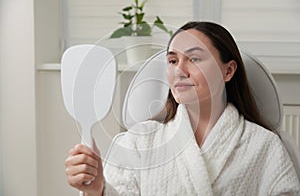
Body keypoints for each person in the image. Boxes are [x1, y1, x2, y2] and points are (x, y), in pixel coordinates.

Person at [65, 21, 300, 196]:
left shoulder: (264, 145)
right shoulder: (138, 141)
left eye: (195, 59)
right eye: (172, 61)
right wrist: (98, 189)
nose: (180, 70)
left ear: (228, 71)